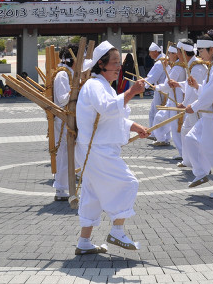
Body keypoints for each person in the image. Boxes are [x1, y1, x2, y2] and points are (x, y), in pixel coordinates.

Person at [74, 40, 149, 255]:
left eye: (119, 63)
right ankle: (117, 230)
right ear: (101, 65)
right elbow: (108, 109)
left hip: (98, 149)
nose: (119, 67)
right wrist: (133, 91)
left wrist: (136, 127)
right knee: (128, 183)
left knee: (93, 196)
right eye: (115, 63)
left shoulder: (103, 86)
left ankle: (84, 242)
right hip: (97, 150)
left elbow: (112, 119)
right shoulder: (94, 85)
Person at [180, 30, 213, 199]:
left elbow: (211, 95)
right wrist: (197, 87)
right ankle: (202, 172)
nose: (199, 54)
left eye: (202, 51)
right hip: (211, 115)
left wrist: (193, 106)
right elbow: (210, 92)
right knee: (190, 138)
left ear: (211, 50)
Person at [168, 39, 207, 171]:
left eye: (178, 52)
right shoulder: (193, 66)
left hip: (197, 108)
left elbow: (195, 91)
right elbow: (190, 85)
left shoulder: (197, 68)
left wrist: (184, 104)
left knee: (195, 136)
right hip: (193, 107)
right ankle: (188, 161)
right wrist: (179, 84)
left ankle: (201, 165)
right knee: (185, 131)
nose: (177, 56)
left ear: (183, 52)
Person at [52, 45, 77, 201]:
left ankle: (71, 180)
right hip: (63, 118)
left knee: (71, 153)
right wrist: (79, 89)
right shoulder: (63, 74)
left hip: (69, 118)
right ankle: (61, 189)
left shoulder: (70, 73)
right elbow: (63, 98)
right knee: (63, 154)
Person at [153, 44, 186, 157]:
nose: (169, 56)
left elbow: (168, 84)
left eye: (171, 53)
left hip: (177, 100)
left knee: (176, 127)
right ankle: (162, 138)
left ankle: (183, 154)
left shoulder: (177, 67)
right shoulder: (178, 66)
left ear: (176, 55)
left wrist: (157, 87)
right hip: (174, 99)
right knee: (160, 118)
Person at [143, 43, 168, 146]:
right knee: (153, 112)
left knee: (159, 114)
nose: (149, 54)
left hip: (161, 90)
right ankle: (154, 133)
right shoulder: (161, 60)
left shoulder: (159, 63)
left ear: (155, 52)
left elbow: (152, 77)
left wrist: (143, 84)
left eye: (150, 52)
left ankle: (162, 137)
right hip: (159, 89)